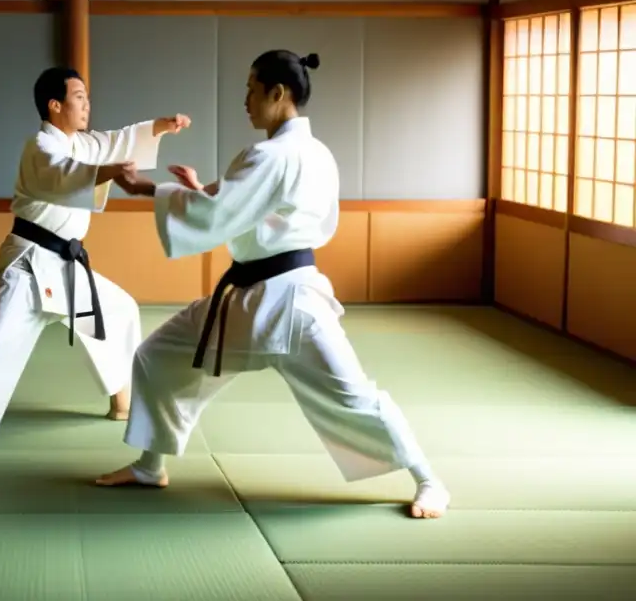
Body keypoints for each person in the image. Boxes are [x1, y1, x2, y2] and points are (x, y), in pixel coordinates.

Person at [95, 50, 451, 519]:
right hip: (244, 301)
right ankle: (149, 465)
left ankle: (430, 481)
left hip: (293, 304)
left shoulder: (271, 153)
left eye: (251, 89)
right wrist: (202, 191)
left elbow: (230, 211)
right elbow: (253, 206)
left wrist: (144, 188)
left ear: (277, 93)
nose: (245, 99)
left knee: (355, 396)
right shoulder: (312, 152)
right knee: (157, 357)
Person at [0, 66, 191, 457]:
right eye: (78, 98)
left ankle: (121, 402)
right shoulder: (41, 148)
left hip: (65, 266)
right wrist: (112, 171)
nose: (86, 105)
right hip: (29, 262)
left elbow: (119, 141)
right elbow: (64, 176)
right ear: (55, 106)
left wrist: (159, 126)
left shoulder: (84, 144)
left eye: (87, 97)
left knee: (119, 310)